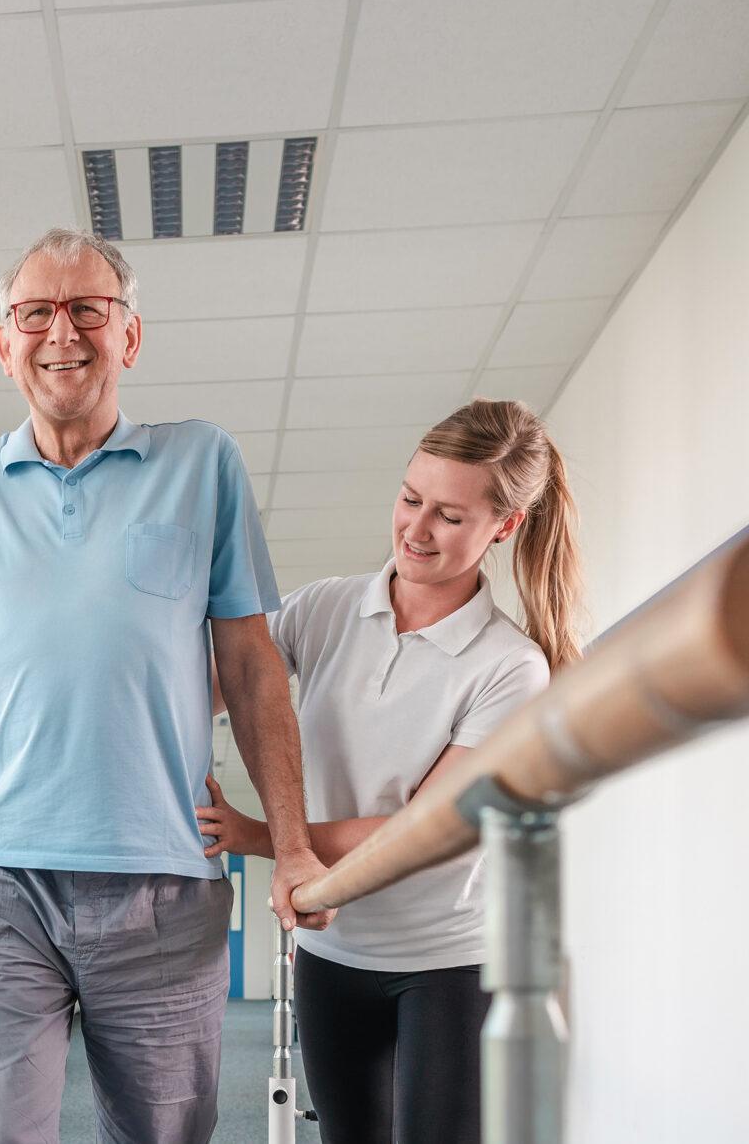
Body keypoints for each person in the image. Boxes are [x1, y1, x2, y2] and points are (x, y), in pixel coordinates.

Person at [0, 226, 331, 1144]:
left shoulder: (201, 464)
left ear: (128, 336)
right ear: (5, 341)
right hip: (2, 882)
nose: (63, 331)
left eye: (89, 308)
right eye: (36, 312)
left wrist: (292, 845)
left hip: (163, 884)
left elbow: (251, 668)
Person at [196, 398, 584, 1144]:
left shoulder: (509, 667)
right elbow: (206, 688)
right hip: (332, 954)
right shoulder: (324, 609)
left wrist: (262, 836)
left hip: (449, 962)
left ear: (503, 527)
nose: (416, 527)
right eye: (410, 498)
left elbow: (427, 828)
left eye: (449, 515)